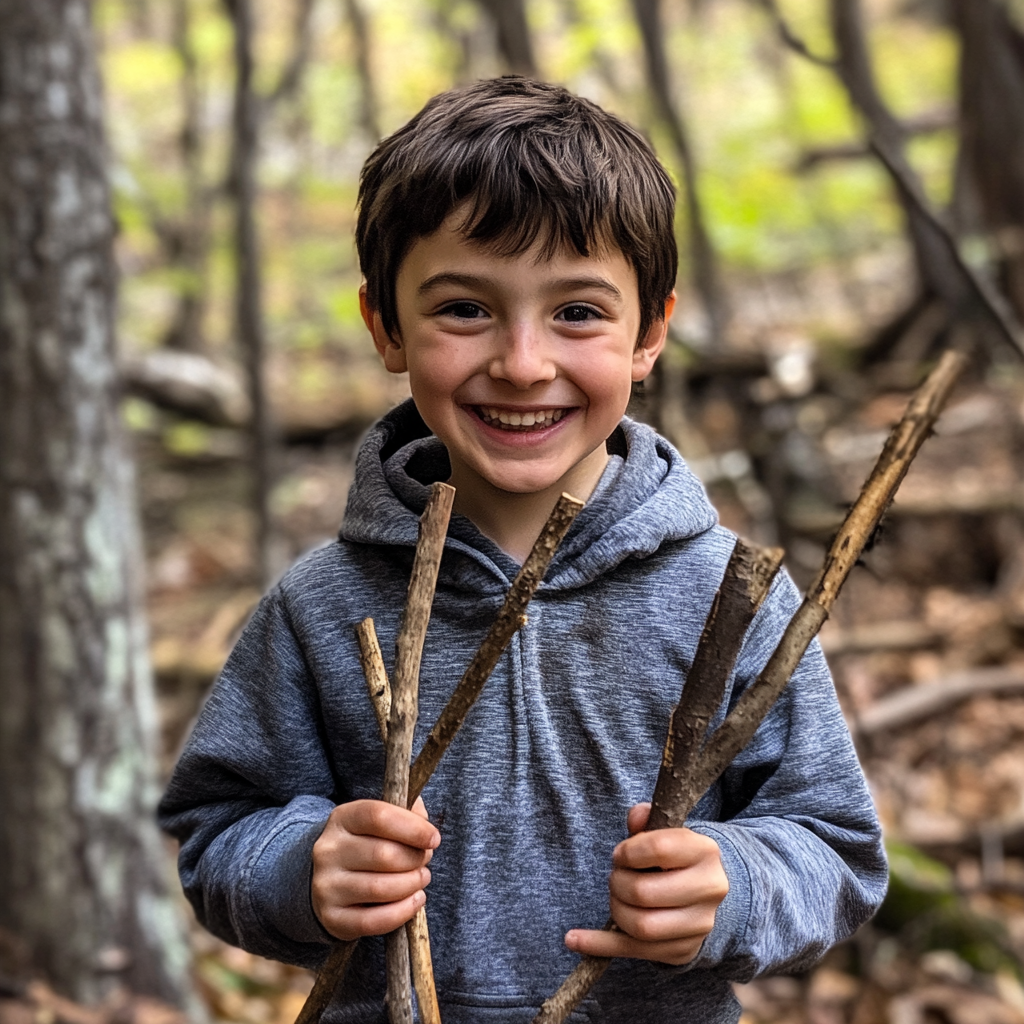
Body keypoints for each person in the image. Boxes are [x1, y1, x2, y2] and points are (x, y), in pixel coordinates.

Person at [159, 76, 887, 1023]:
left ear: (650, 332)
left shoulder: (726, 594)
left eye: (578, 312)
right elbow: (217, 830)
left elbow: (837, 848)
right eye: (464, 309)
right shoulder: (323, 603)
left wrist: (735, 884)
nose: (522, 363)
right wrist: (304, 868)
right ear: (385, 326)